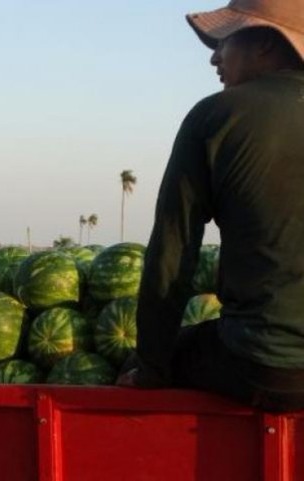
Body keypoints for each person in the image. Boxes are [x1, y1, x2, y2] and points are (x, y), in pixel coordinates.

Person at [117, 0, 304, 412]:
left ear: (264, 45)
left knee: (135, 363)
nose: (214, 56)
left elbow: (172, 255)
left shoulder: (215, 116)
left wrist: (151, 366)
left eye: (225, 40)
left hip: (269, 367)